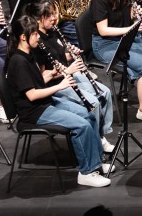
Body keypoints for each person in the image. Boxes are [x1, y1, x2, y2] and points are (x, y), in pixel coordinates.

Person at [7, 15, 110, 187]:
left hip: (45, 103)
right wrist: (60, 86)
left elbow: (37, 81)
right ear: (23, 37)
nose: (38, 36)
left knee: (89, 115)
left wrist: (53, 74)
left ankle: (96, 163)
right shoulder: (18, 61)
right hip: (34, 112)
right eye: (34, 34)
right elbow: (32, 95)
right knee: (81, 125)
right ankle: (86, 172)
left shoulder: (28, 54)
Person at [28, 0, 115, 154]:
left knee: (106, 93)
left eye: (55, 13)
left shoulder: (53, 32)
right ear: (39, 19)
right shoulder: (37, 43)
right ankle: (95, 141)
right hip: (56, 85)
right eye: (50, 15)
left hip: (67, 76)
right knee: (93, 103)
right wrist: (69, 70)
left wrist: (71, 55)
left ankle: (101, 134)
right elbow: (42, 77)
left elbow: (60, 56)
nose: (55, 18)